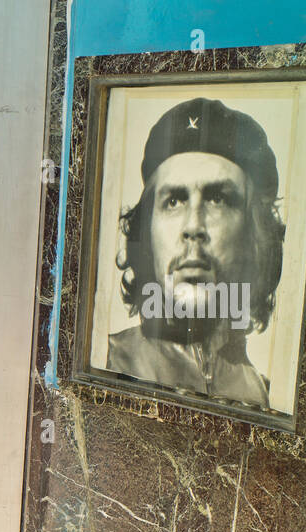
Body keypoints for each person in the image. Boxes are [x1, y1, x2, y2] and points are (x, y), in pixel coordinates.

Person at [107, 97, 286, 409]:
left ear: (254, 233)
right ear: (146, 231)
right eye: (173, 201)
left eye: (217, 199)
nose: (193, 227)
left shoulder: (263, 396)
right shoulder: (109, 362)